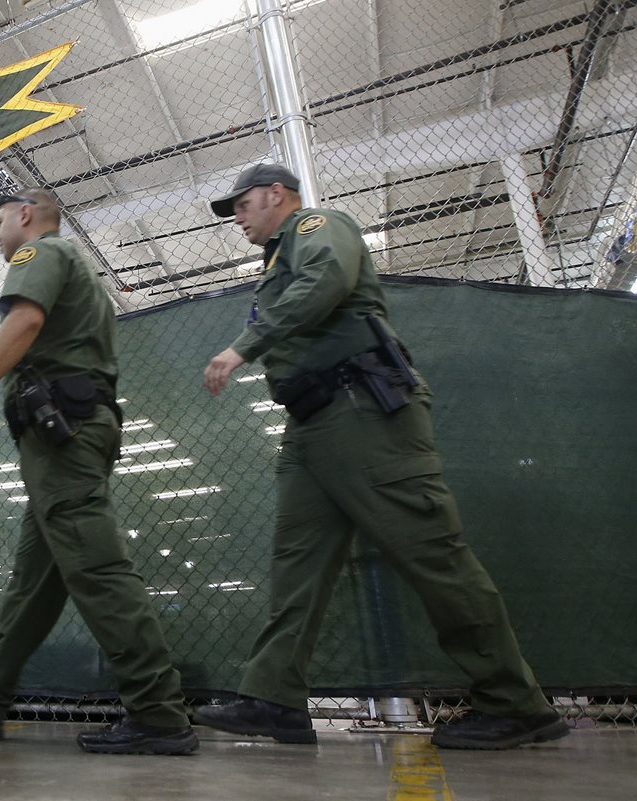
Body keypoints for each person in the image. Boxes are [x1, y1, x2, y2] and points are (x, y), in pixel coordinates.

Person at [197, 163, 570, 750]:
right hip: (312, 423)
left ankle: (514, 703)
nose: (237, 217)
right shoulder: (275, 259)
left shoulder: (317, 226)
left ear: (276, 195)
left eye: (242, 204)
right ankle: (274, 698)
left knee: (432, 554)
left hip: (360, 409)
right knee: (298, 563)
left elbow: (328, 279)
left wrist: (243, 347)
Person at [0, 189, 198, 756]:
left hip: (64, 438)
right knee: (36, 580)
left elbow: (25, 319)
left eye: (0, 221)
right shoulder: (74, 265)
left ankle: (158, 713)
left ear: (26, 216)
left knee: (99, 570)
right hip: (70, 436)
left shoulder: (41, 255)